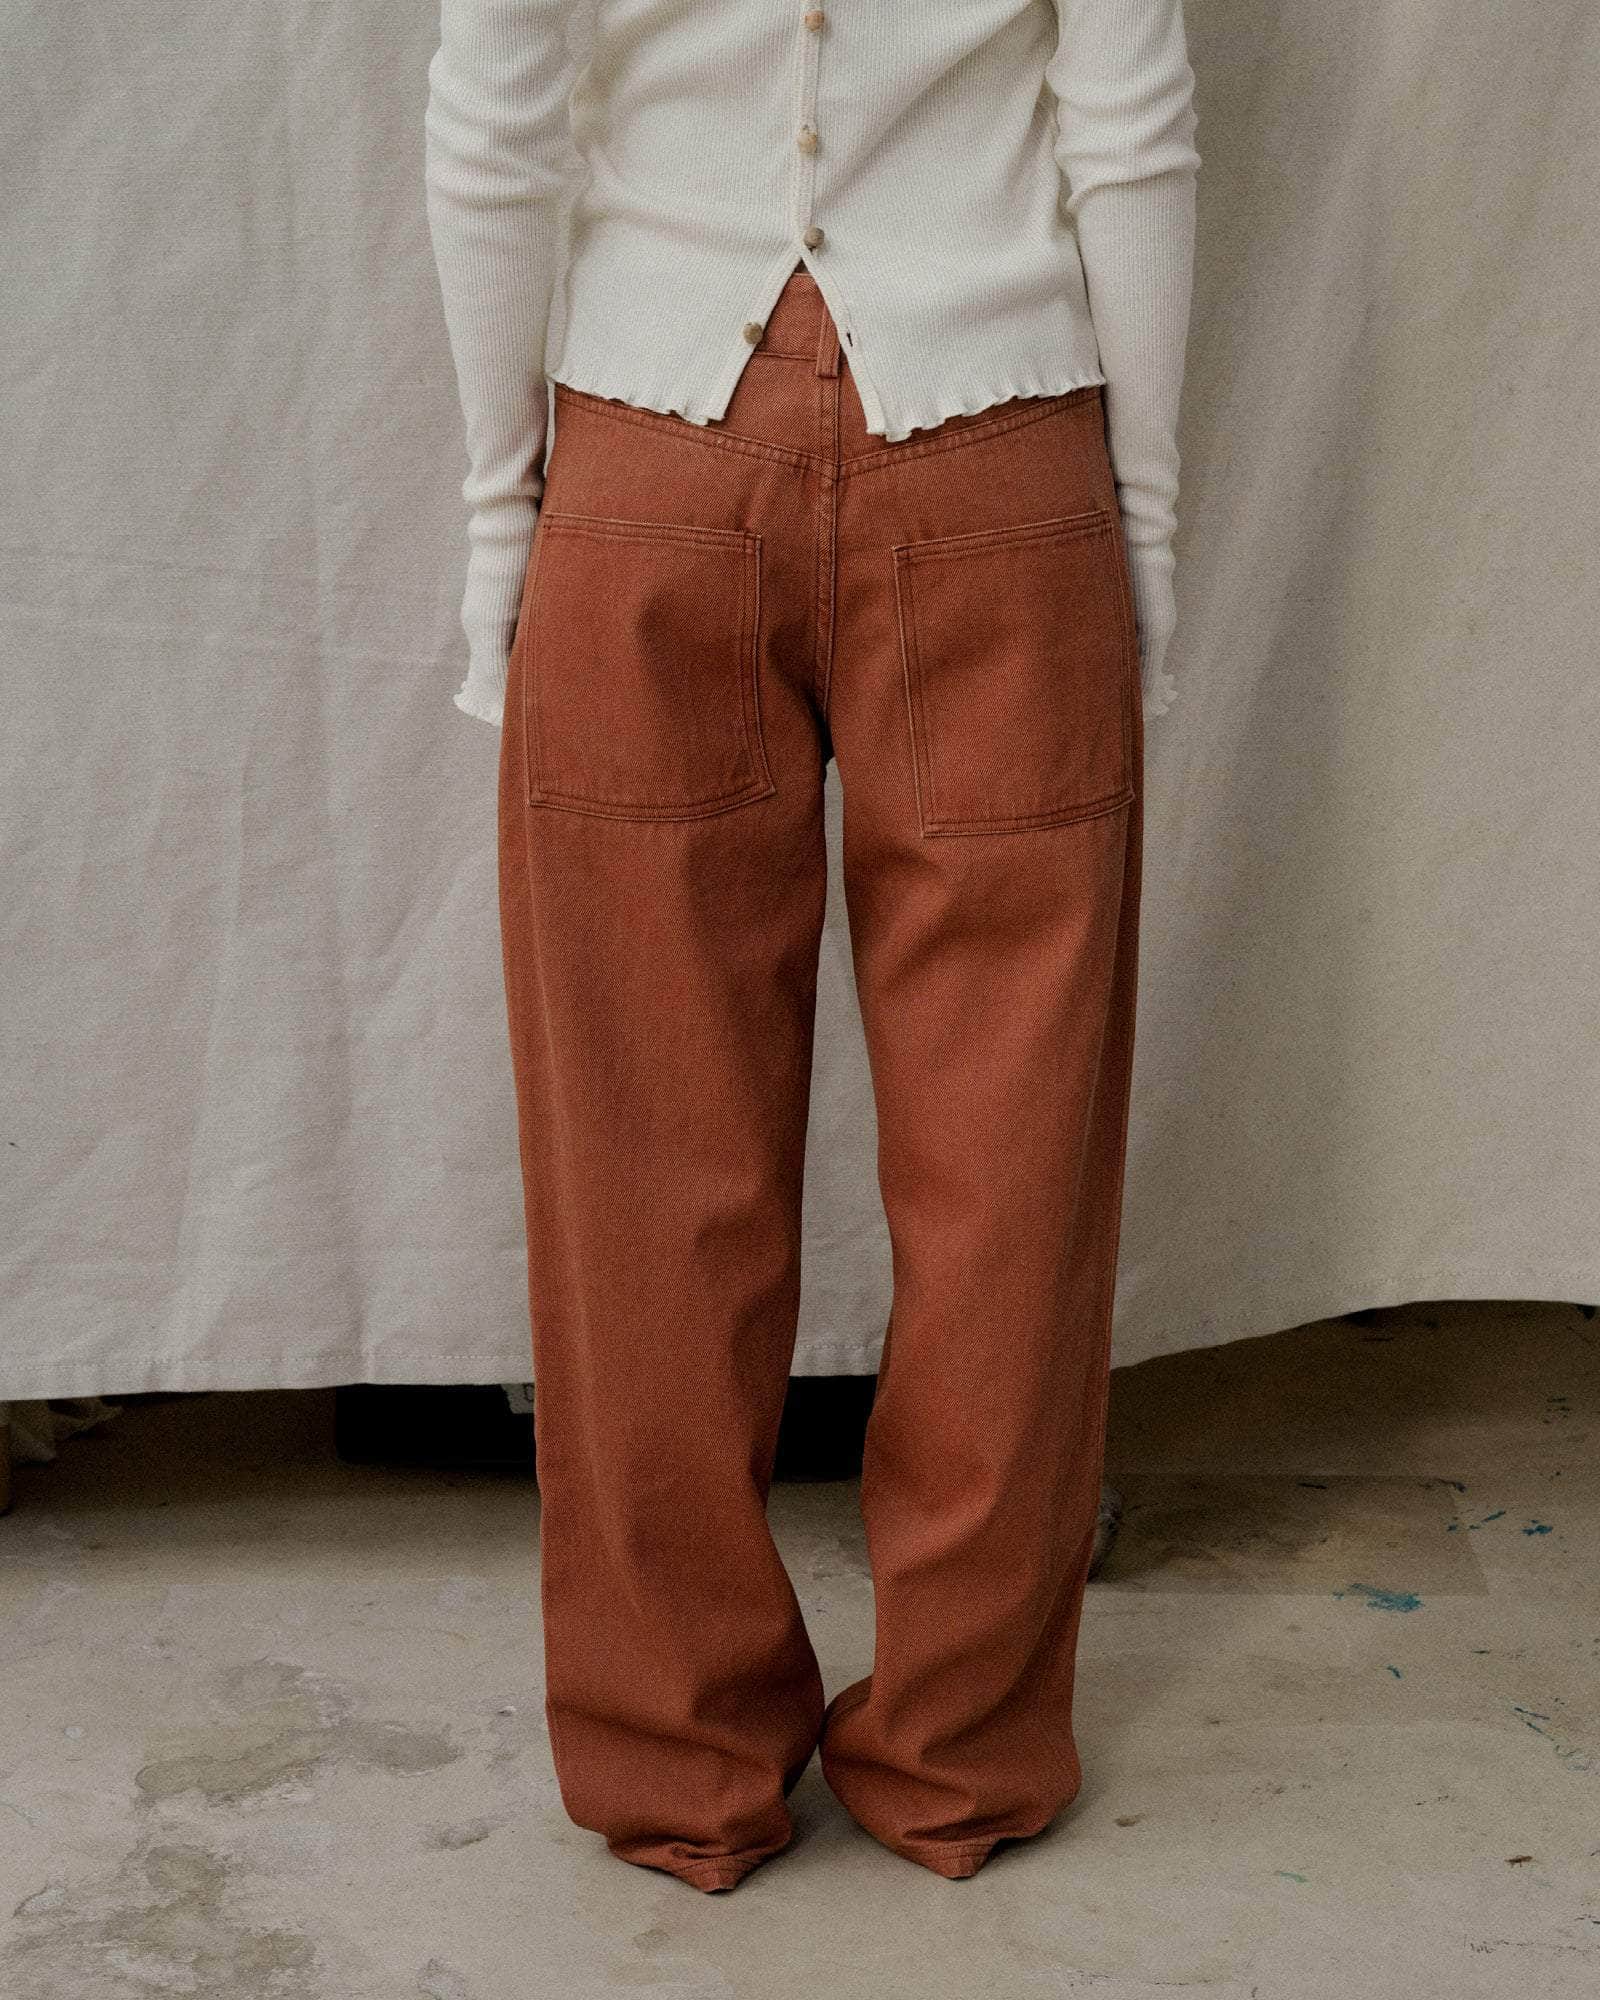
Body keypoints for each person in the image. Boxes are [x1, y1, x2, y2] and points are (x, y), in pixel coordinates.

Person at [424, 0, 1199, 1892]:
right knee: (1010, 1162)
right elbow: (1129, 125)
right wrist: (1147, 529)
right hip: (1000, 461)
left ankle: (676, 1760)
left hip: (650, 467)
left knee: (638, 1158)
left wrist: (501, 520)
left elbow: (496, 125)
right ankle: (962, 1757)